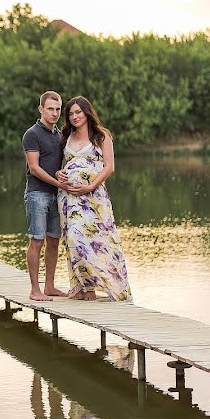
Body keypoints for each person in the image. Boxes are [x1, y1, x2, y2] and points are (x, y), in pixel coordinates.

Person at [56, 96, 132, 301]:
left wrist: (90, 185)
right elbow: (61, 164)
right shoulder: (66, 137)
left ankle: (99, 286)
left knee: (96, 239)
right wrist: (59, 174)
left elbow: (109, 167)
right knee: (73, 238)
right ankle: (83, 286)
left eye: (78, 112)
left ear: (87, 112)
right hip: (69, 198)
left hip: (94, 198)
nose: (74, 117)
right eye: (71, 113)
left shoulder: (101, 136)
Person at [22, 91, 69, 301]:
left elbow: (58, 166)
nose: (55, 113)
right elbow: (34, 168)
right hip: (37, 195)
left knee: (54, 241)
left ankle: (49, 286)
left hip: (56, 196)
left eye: (58, 109)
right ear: (41, 109)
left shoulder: (60, 135)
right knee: (37, 241)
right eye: (50, 108)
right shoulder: (32, 134)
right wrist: (56, 181)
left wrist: (61, 176)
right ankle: (35, 290)